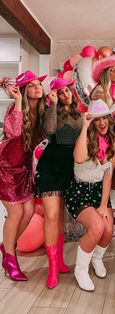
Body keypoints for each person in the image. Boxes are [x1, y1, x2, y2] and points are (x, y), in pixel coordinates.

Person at [63, 99, 115, 292]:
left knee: (108, 231)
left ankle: (97, 258)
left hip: (98, 192)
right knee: (97, 226)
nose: (102, 123)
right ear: (91, 121)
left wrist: (104, 205)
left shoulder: (112, 142)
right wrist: (85, 126)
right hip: (79, 191)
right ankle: (81, 270)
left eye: (105, 118)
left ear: (109, 119)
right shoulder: (85, 137)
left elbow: (108, 176)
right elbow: (78, 158)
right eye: (97, 119)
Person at [36, 77, 82, 288]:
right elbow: (50, 130)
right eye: (60, 92)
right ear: (54, 95)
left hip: (69, 169)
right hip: (50, 168)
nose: (66, 94)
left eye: (67, 91)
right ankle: (52, 268)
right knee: (52, 216)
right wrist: (52, 105)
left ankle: (61, 261)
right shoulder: (51, 110)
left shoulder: (79, 114)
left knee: (61, 217)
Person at [0, 70, 47, 281]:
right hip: (6, 167)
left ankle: (6, 246)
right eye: (32, 85)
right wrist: (18, 100)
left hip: (25, 170)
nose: (38, 87)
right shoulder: (14, 107)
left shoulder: (43, 111)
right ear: (24, 91)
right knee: (16, 213)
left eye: (39, 84)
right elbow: (14, 133)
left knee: (28, 211)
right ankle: (11, 259)